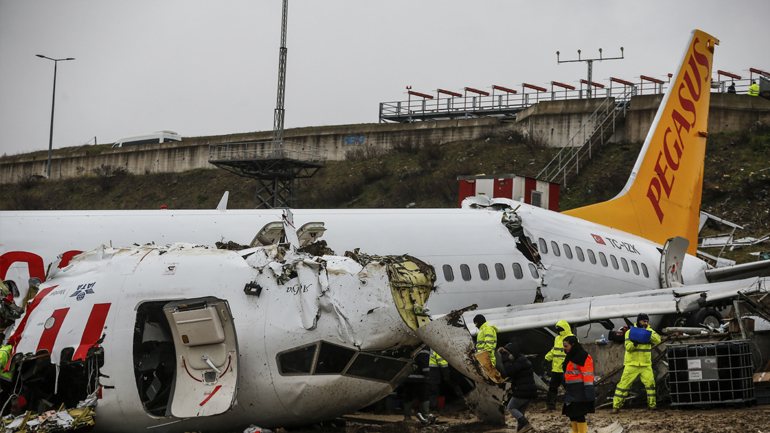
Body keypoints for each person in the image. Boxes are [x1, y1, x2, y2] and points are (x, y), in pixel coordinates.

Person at [612, 313, 661, 413]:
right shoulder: (629, 332)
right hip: (632, 364)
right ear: (639, 321)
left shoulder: (649, 331)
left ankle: (652, 405)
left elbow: (658, 340)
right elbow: (628, 348)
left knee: (650, 385)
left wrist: (647, 332)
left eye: (647, 322)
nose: (645, 323)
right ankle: (616, 406)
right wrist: (635, 343)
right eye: (644, 321)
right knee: (623, 385)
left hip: (645, 364)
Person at [498, 343, 537, 433]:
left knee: (511, 407)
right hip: (530, 391)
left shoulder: (519, 362)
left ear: (513, 353)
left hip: (523, 391)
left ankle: (526, 424)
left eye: (508, 354)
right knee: (520, 413)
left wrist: (504, 359)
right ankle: (521, 430)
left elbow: (509, 371)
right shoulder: (522, 360)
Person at [562, 335, 594, 433]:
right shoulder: (570, 356)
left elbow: (588, 375)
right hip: (571, 390)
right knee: (571, 414)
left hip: (580, 390)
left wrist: (589, 390)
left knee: (579, 414)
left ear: (573, 345)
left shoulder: (583, 356)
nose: (564, 348)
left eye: (566, 346)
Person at [544, 319, 575, 410]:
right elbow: (554, 351)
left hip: (566, 369)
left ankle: (573, 405)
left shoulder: (572, 338)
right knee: (552, 388)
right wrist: (547, 358)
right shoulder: (557, 338)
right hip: (556, 369)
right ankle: (550, 405)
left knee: (569, 388)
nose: (558, 330)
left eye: (559, 328)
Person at [401, 346, 434, 424]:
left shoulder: (408, 345)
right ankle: (425, 416)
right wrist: (427, 374)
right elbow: (423, 360)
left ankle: (407, 417)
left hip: (407, 376)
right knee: (424, 396)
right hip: (420, 377)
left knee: (407, 396)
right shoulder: (424, 346)